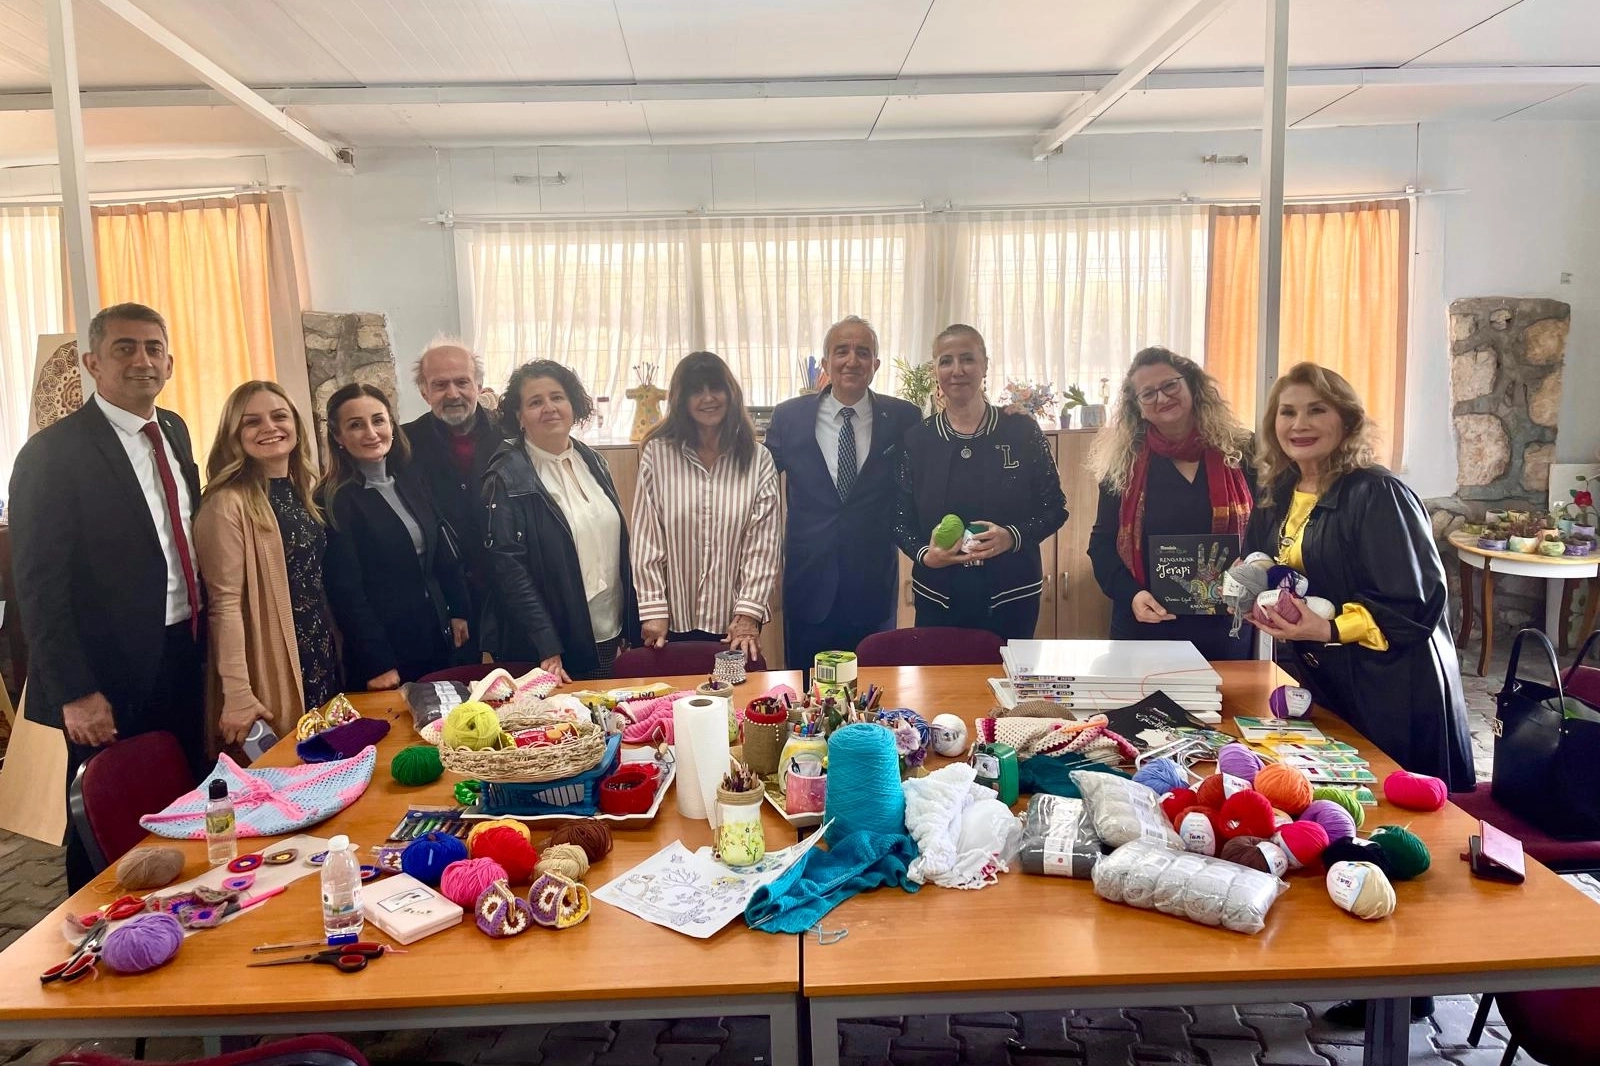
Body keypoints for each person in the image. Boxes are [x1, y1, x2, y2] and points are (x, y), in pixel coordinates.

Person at [1243, 362, 1472, 1028]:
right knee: (1347, 812)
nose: (1299, 424)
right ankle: (1368, 959)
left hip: (1392, 682)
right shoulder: (1282, 491)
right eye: (1287, 412)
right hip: (1325, 679)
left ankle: (1406, 990)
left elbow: (1415, 601)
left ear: (1345, 419)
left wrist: (1328, 626)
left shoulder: (1377, 492)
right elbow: (1272, 567)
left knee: (1396, 824)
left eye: (1316, 410)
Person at [8, 303, 205, 891]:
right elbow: (39, 587)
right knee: (107, 815)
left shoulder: (173, 430)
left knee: (182, 797)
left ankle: (186, 912)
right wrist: (75, 691)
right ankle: (93, 924)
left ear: (169, 362)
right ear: (93, 362)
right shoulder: (52, 454)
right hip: (108, 671)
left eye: (152, 348)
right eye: (125, 348)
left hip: (184, 646)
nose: (142, 360)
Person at [765, 316, 921, 673]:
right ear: (826, 363)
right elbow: (756, 479)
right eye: (842, 351)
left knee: (873, 691)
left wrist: (1005, 414)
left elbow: (938, 452)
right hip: (808, 584)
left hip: (872, 587)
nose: (852, 360)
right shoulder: (789, 417)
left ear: (875, 365)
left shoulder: (903, 417)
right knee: (807, 693)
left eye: (863, 352)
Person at [893, 324, 1067, 638]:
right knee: (940, 673)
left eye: (967, 359)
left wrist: (1011, 537)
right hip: (938, 599)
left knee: (1006, 672)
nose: (957, 370)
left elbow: (1055, 508)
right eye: (946, 361)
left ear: (985, 365)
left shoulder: (1021, 431)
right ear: (935, 370)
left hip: (1012, 597)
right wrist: (925, 554)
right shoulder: (918, 440)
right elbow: (898, 517)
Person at [1087, 347, 1257, 660]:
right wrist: (1132, 596)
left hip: (1226, 623)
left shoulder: (1243, 451)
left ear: (1192, 386)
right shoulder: (1122, 465)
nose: (1162, 398)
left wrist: (1253, 569)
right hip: (1145, 623)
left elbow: (1267, 532)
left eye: (1170, 385)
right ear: (1137, 406)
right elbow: (1101, 545)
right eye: (1148, 393)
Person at [194, 381, 339, 749]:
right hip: (271, 658)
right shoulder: (226, 504)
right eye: (252, 421)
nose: (270, 428)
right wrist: (238, 693)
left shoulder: (302, 493)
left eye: (279, 416)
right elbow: (224, 605)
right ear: (233, 434)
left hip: (318, 650)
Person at [483, 360, 640, 681]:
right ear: (519, 415)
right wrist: (545, 643)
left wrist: (629, 624)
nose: (549, 408)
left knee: (605, 709)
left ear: (573, 404)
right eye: (535, 402)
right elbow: (508, 570)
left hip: (607, 627)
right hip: (552, 643)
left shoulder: (592, 460)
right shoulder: (506, 475)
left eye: (557, 397)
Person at [632, 351, 782, 660]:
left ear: (731, 394)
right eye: (696, 391)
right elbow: (647, 539)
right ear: (681, 400)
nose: (708, 398)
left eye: (715, 388)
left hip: (735, 623)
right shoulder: (657, 455)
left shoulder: (758, 459)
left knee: (736, 691)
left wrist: (748, 614)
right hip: (669, 620)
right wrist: (653, 608)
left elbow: (763, 546)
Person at [319, 383, 470, 688]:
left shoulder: (412, 478)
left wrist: (458, 610)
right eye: (355, 425)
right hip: (385, 652)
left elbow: (441, 551)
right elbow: (347, 593)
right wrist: (378, 662)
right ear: (338, 437)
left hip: (435, 633)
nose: (371, 433)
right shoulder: (333, 500)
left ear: (391, 424)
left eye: (378, 420)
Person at [402, 339, 504, 662]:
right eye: (440, 385)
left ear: (479, 385)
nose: (453, 393)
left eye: (462, 382)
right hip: (446, 593)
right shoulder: (403, 444)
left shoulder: (511, 434)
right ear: (424, 392)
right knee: (455, 683)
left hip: (510, 583)